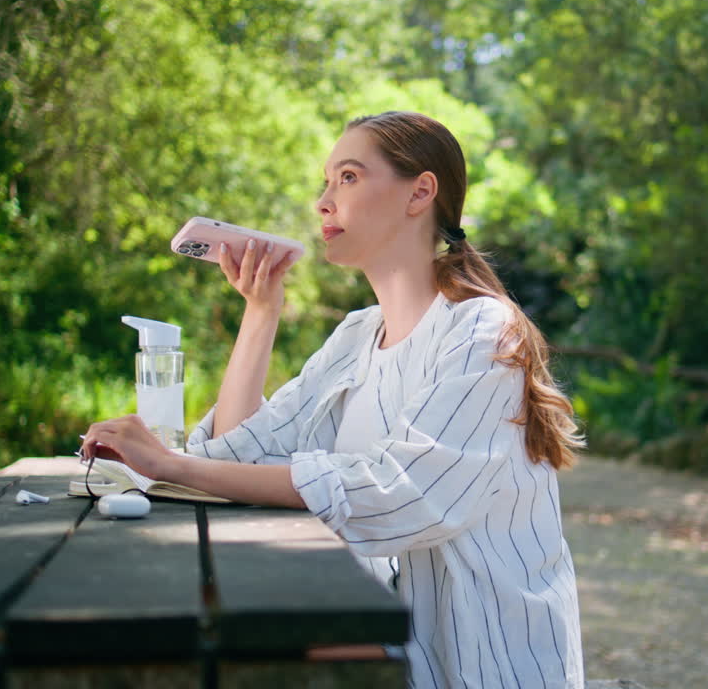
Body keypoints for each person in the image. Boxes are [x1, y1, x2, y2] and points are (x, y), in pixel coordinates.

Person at [79, 111, 585, 688]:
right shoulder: (356, 336)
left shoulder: (482, 331)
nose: (323, 203)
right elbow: (237, 455)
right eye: (326, 182)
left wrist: (170, 465)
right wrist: (261, 312)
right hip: (390, 638)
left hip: (480, 664)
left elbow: (398, 496)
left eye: (348, 177)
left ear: (420, 193)